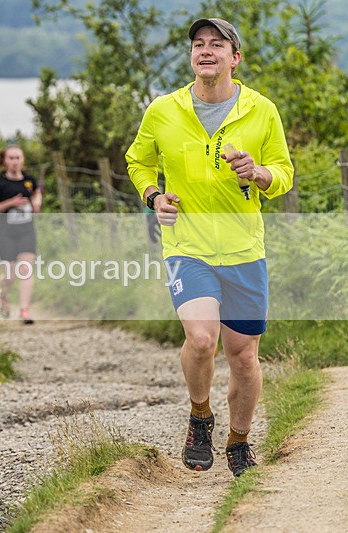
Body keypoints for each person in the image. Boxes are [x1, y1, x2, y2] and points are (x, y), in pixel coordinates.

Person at [126, 18, 293, 477]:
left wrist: (259, 173)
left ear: (234, 58)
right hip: (187, 245)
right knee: (201, 340)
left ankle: (238, 442)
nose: (205, 51)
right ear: (191, 56)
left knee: (243, 355)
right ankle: (201, 416)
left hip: (244, 250)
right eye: (198, 44)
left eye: (217, 45)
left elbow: (283, 173)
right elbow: (137, 160)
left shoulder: (261, 110)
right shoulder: (163, 109)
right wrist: (153, 196)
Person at [0, 145, 42, 324]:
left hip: (26, 230)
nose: (15, 161)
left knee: (26, 269)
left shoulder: (29, 180)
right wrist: (10, 203)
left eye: (18, 158)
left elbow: (36, 193)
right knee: (10, 275)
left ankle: (24, 311)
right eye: (11, 158)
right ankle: (3, 296)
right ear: (5, 161)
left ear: (22, 160)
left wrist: (36, 203)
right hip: (5, 232)